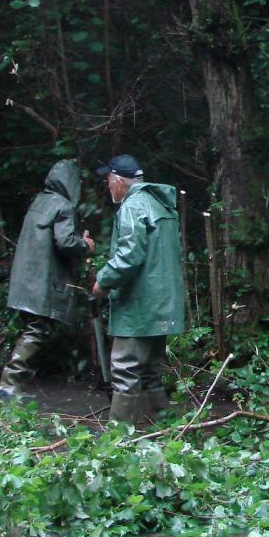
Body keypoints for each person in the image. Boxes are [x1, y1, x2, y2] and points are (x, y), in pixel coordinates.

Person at [91, 154, 185, 426]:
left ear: (119, 181)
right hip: (163, 304)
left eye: (108, 180)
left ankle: (116, 441)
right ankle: (164, 429)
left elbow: (129, 256)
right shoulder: (160, 204)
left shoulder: (133, 206)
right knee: (150, 372)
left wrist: (103, 281)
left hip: (139, 306)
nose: (108, 187)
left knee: (125, 370)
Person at [0, 159, 96, 398]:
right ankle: (9, 384)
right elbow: (66, 242)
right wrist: (86, 245)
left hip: (25, 281)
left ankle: (12, 385)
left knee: (32, 328)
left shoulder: (40, 201)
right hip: (41, 282)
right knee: (37, 330)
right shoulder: (63, 206)